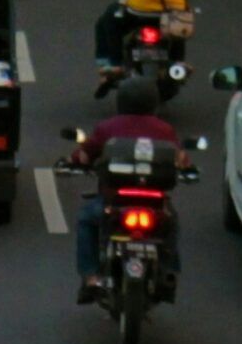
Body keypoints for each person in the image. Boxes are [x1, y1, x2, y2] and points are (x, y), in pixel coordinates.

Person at [67, 77, 182, 301]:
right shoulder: (166, 130)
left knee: (86, 220)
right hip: (155, 203)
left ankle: (91, 278)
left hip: (114, 201)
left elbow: (84, 155)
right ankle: (170, 272)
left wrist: (74, 160)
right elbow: (179, 158)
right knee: (172, 223)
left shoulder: (107, 127)